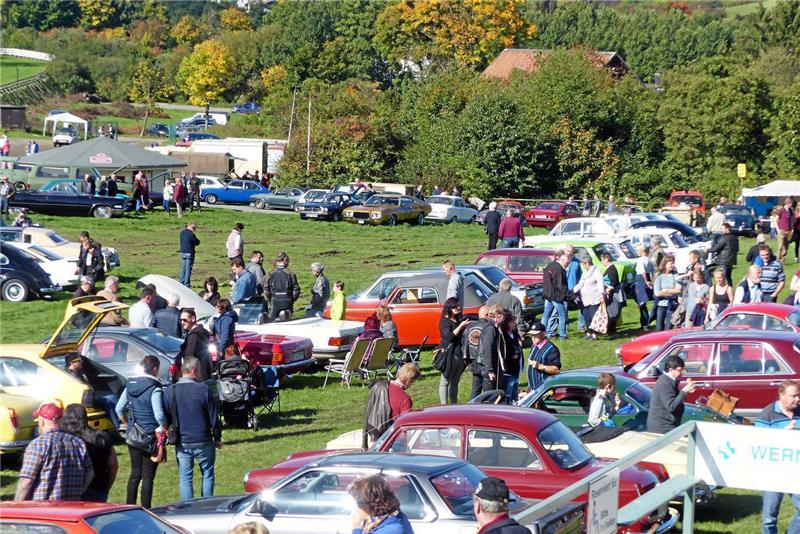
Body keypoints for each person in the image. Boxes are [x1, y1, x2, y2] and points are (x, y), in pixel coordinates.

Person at [164, 356, 222, 501]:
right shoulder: (203, 389)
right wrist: (218, 437)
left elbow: (166, 415)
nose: (201, 374)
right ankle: (207, 504)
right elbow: (213, 417)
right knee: (207, 473)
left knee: (185, 477)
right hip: (203, 439)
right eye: (200, 371)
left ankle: (187, 507)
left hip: (182, 441)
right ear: (194, 371)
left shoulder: (170, 391)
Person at [115, 356, 167, 508]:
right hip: (150, 436)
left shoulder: (130, 385)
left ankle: (129, 506)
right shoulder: (154, 387)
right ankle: (146, 509)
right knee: (148, 477)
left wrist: (128, 423)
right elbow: (159, 415)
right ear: (155, 369)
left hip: (133, 434)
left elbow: (119, 408)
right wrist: (165, 427)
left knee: (134, 474)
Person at [14, 402, 93, 501]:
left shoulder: (38, 445)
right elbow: (90, 474)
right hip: (71, 508)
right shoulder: (77, 443)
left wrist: (17, 505)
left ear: (42, 421)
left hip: (43, 511)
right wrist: (78, 493)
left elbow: (26, 482)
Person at [756, 380, 800, 534]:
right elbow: (758, 443)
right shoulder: (767, 414)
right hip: (773, 473)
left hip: (795, 471)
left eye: (798, 395)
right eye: (793, 396)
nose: (798, 399)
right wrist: (782, 434)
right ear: (781, 395)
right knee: (769, 518)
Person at [59, 404, 118, 502]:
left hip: (72, 488)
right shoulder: (102, 437)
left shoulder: (66, 439)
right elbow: (113, 467)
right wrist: (106, 488)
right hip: (99, 487)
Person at [348, 474, 414, 534]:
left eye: (356, 503)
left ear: (367, 505)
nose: (354, 508)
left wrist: (356, 528)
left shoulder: (390, 530)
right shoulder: (394, 517)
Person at [646, 354, 696, 433]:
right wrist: (684, 391)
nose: (682, 373)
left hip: (669, 425)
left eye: (683, 370)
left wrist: (685, 392)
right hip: (662, 428)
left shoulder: (671, 380)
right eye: (679, 370)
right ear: (671, 370)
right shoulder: (664, 383)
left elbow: (675, 399)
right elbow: (672, 407)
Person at [436, 297, 468, 404]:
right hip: (448, 353)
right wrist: (461, 327)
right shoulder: (444, 322)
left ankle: (454, 405)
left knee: (455, 381)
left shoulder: (458, 318)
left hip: (459, 352)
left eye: (459, 305)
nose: (458, 308)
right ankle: (443, 406)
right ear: (449, 308)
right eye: (455, 307)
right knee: (445, 381)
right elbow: (448, 337)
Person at [573, 255, 605, 339]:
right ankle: (589, 333)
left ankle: (594, 334)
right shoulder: (585, 272)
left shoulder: (597, 271)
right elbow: (580, 284)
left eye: (583, 264)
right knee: (586, 316)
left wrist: (602, 294)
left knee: (593, 316)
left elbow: (600, 284)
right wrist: (572, 291)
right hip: (585, 299)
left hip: (594, 298)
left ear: (586, 263)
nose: (583, 266)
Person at [178, 308, 212, 382]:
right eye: (181, 320)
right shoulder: (202, 331)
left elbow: (189, 356)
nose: (182, 322)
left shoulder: (194, 336)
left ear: (193, 319)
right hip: (205, 371)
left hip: (197, 374)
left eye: (184, 320)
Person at [479, 305, 508, 392]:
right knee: (490, 399)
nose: (504, 318)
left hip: (497, 368)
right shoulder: (490, 329)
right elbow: (487, 350)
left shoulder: (496, 327)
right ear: (497, 315)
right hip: (490, 372)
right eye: (503, 315)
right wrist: (490, 370)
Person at [541, 254, 569, 340]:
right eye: (566, 263)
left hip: (548, 294)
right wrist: (569, 295)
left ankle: (541, 333)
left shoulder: (550, 265)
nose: (567, 265)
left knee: (546, 315)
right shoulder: (559, 269)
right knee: (562, 314)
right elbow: (560, 285)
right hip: (555, 296)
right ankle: (563, 336)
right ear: (563, 260)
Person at [526, 322, 561, 391]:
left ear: (543, 334)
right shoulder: (534, 346)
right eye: (532, 335)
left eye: (536, 335)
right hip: (532, 389)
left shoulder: (552, 349)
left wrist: (540, 366)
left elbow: (556, 370)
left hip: (543, 390)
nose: (533, 338)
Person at [266, 252, 300, 321]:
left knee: (272, 320)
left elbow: (266, 289)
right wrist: (292, 299)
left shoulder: (270, 274)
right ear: (285, 260)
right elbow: (296, 289)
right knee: (287, 320)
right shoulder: (290, 274)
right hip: (287, 300)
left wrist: (270, 299)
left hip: (275, 300)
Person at [653, 256, 681, 331]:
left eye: (673, 263)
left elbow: (678, 290)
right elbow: (657, 293)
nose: (673, 265)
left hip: (672, 304)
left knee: (669, 328)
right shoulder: (659, 275)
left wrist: (666, 291)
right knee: (659, 328)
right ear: (665, 264)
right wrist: (672, 291)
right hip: (661, 304)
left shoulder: (675, 274)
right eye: (671, 263)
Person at [600, 253, 623, 336]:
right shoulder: (609, 268)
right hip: (610, 294)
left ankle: (611, 331)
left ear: (606, 259)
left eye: (602, 259)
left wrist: (608, 290)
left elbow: (613, 282)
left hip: (613, 295)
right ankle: (611, 330)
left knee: (612, 313)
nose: (601, 261)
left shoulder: (612, 269)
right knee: (610, 312)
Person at [632, 244, 654, 330]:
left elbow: (643, 272)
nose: (637, 252)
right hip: (646, 279)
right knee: (642, 304)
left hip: (641, 280)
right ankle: (644, 323)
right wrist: (651, 281)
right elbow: (652, 272)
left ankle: (645, 324)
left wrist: (646, 281)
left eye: (639, 250)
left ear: (643, 252)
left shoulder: (640, 260)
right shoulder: (650, 260)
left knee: (642, 303)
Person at [564, 245, 583, 332]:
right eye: (568, 251)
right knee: (564, 310)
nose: (570, 253)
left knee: (582, 306)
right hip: (564, 290)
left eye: (571, 251)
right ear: (565, 251)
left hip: (575, 290)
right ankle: (565, 328)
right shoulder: (562, 261)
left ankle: (581, 327)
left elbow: (580, 276)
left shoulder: (577, 262)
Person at [179, 222, 200, 287]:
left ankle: (181, 282)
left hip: (182, 252)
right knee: (188, 269)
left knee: (183, 269)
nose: (194, 230)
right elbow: (197, 242)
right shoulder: (191, 234)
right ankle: (187, 284)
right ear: (192, 227)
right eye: (194, 229)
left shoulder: (182, 233)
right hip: (189, 253)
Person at [776, 197, 795, 263]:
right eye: (790, 203)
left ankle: (782, 260)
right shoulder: (781, 210)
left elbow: (792, 220)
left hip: (789, 231)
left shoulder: (791, 211)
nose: (791, 205)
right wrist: (778, 229)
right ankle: (778, 260)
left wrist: (792, 229)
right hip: (782, 230)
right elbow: (776, 219)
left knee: (786, 247)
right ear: (787, 203)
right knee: (780, 246)